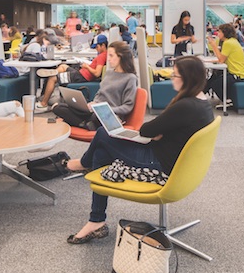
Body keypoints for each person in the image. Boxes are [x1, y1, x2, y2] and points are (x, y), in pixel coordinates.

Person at [64, 56, 214, 244]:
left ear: (187, 78)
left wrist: (156, 132)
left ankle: (83, 165)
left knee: (102, 134)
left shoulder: (185, 105)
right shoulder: (202, 103)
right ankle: (96, 220)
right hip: (174, 161)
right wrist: (159, 132)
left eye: (174, 74)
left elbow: (146, 130)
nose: (171, 78)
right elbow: (164, 131)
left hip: (157, 164)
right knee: (102, 151)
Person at [52, 41, 138, 130]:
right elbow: (100, 93)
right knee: (58, 107)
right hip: (95, 110)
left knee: (96, 116)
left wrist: (106, 109)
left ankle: (81, 122)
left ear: (121, 57)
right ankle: (85, 124)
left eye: (111, 56)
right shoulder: (109, 73)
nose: (108, 59)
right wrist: (93, 104)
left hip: (109, 114)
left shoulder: (130, 78)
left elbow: (127, 107)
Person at [35, 34, 108, 112]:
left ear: (103, 45)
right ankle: (55, 72)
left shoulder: (101, 56)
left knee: (52, 78)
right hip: (81, 73)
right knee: (63, 66)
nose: (96, 49)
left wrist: (87, 67)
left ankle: (43, 104)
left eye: (97, 47)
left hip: (81, 76)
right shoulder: (104, 54)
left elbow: (97, 73)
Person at [206, 23, 244, 102]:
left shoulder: (228, 43)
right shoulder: (232, 41)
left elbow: (221, 60)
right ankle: (199, 95)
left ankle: (227, 101)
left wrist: (214, 46)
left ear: (225, 33)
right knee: (215, 76)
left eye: (219, 32)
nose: (217, 33)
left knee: (215, 84)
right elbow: (224, 58)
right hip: (242, 71)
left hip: (239, 73)